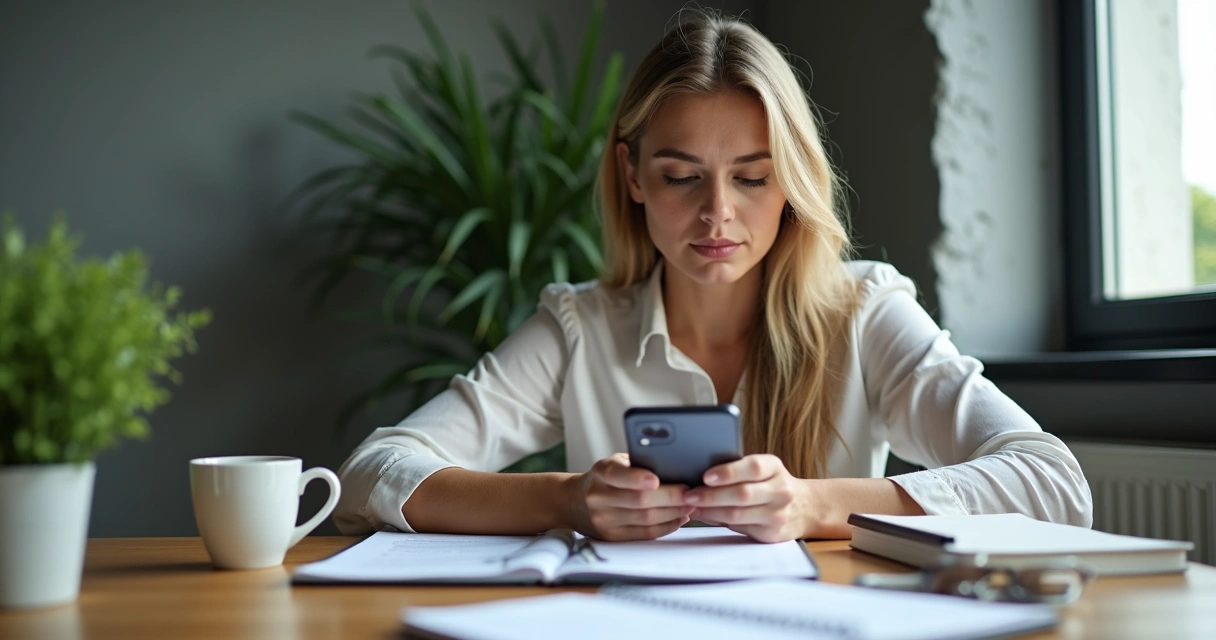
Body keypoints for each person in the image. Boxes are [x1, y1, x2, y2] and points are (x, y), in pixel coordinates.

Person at [333, 11, 1092, 543]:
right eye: (681, 176)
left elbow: (1052, 481)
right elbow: (372, 473)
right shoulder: (580, 328)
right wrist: (568, 499)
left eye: (753, 178)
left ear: (792, 181)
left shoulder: (864, 311)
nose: (717, 215)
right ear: (633, 175)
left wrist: (812, 504)